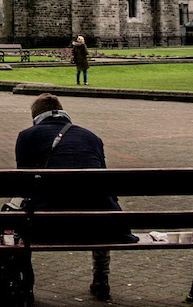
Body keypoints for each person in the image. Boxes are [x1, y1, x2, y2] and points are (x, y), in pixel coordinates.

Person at [14, 93, 133, 301]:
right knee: (101, 204)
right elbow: (105, 182)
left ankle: (26, 283)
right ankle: (101, 279)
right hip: (97, 225)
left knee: (18, 209)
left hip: (46, 226)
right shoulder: (91, 137)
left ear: (36, 117)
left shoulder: (26, 136)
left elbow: (23, 183)